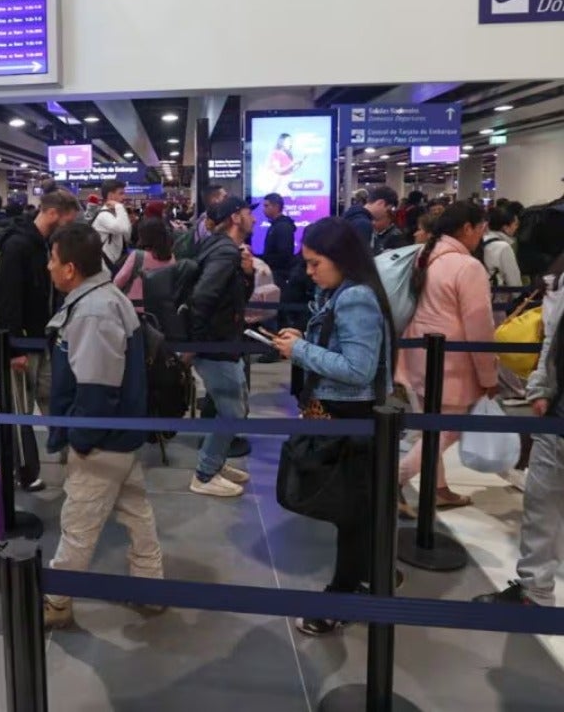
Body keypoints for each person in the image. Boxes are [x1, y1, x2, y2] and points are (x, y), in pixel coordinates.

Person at [272, 216, 397, 636]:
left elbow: (359, 369)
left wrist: (302, 350)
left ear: (340, 258)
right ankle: (371, 578)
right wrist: (305, 340)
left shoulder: (355, 298)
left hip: (351, 418)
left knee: (353, 513)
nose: (309, 272)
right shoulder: (345, 292)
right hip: (346, 416)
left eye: (314, 263)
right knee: (359, 511)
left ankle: (345, 595)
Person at [42, 223, 164, 629]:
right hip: (122, 435)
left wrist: (81, 439)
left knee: (78, 523)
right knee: (136, 511)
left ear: (71, 268)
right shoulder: (105, 296)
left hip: (103, 441)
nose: (49, 267)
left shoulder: (93, 311)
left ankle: (57, 600)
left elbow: (96, 389)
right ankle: (150, 586)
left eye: (53, 260)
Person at [474, 254, 564, 607]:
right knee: (542, 505)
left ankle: (535, 589)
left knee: (544, 505)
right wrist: (541, 388)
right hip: (556, 417)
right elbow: (553, 340)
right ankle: (535, 589)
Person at [396, 201, 497, 509]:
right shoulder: (467, 266)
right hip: (453, 362)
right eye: (480, 229)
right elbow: (479, 326)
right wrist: (489, 376)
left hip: (420, 355)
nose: (481, 236)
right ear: (466, 228)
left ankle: (437, 488)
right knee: (445, 431)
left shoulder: (426, 258)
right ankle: (391, 479)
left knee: (432, 426)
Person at [0, 189, 82, 490]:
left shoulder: (42, 244)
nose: (68, 229)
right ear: (53, 213)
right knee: (21, 412)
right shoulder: (17, 245)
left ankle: (70, 460)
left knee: (54, 397)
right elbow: (8, 299)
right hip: (22, 345)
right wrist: (13, 348)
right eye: (67, 221)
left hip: (44, 338)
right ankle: (26, 472)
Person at [188, 197, 256, 497]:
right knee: (232, 411)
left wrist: (247, 273)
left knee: (235, 405)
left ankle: (214, 462)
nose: (252, 218)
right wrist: (198, 344)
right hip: (217, 344)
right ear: (235, 218)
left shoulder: (222, 249)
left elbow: (235, 296)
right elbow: (202, 298)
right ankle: (204, 474)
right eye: (247, 213)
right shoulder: (224, 252)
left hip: (226, 341)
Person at [113, 217, 174, 303]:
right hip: (160, 307)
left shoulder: (138, 256)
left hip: (135, 307)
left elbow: (118, 282)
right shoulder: (172, 258)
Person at [91, 179, 131, 272]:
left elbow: (128, 234)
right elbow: (123, 229)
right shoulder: (104, 215)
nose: (124, 197)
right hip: (104, 266)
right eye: (121, 193)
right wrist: (119, 207)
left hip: (112, 264)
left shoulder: (114, 213)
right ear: (110, 195)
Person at [482, 206, 523, 290]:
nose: (517, 227)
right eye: (515, 224)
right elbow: (513, 281)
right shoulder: (503, 247)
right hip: (497, 297)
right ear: (505, 227)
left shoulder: (481, 240)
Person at [261, 193, 296, 288]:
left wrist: (264, 261)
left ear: (276, 206)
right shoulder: (275, 225)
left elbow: (284, 255)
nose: (263, 209)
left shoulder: (283, 227)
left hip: (279, 275)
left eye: (266, 206)